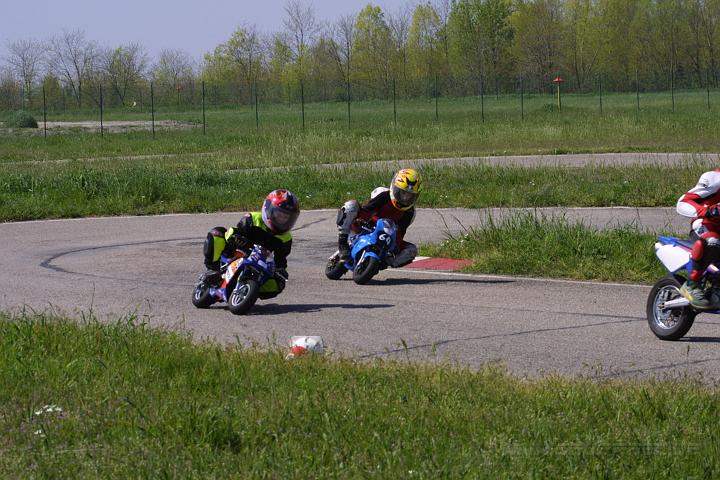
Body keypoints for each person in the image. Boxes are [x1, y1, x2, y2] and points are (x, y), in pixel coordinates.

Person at [203, 189, 300, 297]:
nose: (281, 220)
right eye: (279, 215)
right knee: (216, 234)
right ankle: (212, 269)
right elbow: (235, 231)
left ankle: (250, 290)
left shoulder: (286, 238)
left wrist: (280, 271)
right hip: (236, 252)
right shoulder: (253, 218)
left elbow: (280, 260)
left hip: (259, 263)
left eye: (286, 217)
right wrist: (235, 237)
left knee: (278, 284)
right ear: (268, 209)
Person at [336, 168, 422, 268]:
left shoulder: (410, 212)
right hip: (365, 225)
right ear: (394, 188)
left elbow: (400, 232)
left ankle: (387, 262)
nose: (405, 199)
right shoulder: (384, 195)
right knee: (351, 205)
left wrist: (394, 248)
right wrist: (361, 220)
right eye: (403, 193)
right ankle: (342, 242)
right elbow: (367, 210)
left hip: (386, 237)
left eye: (410, 196)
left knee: (412, 250)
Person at [677, 169, 720, 309]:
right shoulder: (714, 179)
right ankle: (691, 284)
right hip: (707, 226)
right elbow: (684, 202)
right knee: (712, 242)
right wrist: (707, 211)